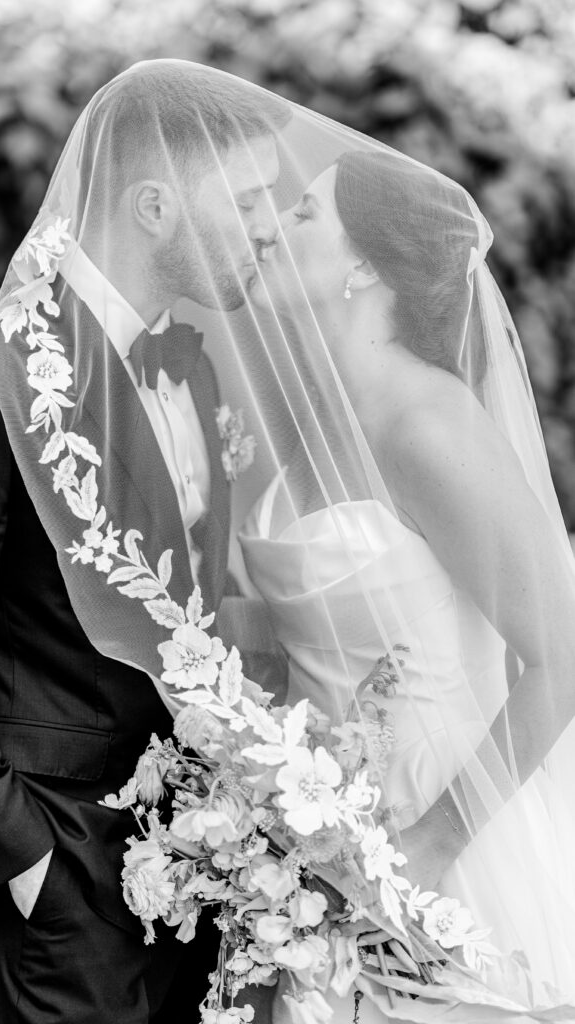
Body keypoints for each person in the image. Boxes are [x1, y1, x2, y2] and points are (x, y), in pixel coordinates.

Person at [0, 60, 288, 1024]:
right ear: (154, 204)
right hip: (59, 872)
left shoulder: (193, 369)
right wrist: (20, 860)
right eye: (247, 204)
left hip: (208, 866)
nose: (269, 228)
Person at [235, 144, 575, 1019]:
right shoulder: (313, 423)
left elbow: (563, 655)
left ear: (362, 264)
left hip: (449, 825)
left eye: (303, 212)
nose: (269, 229)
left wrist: (430, 844)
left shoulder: (431, 427)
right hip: (318, 845)